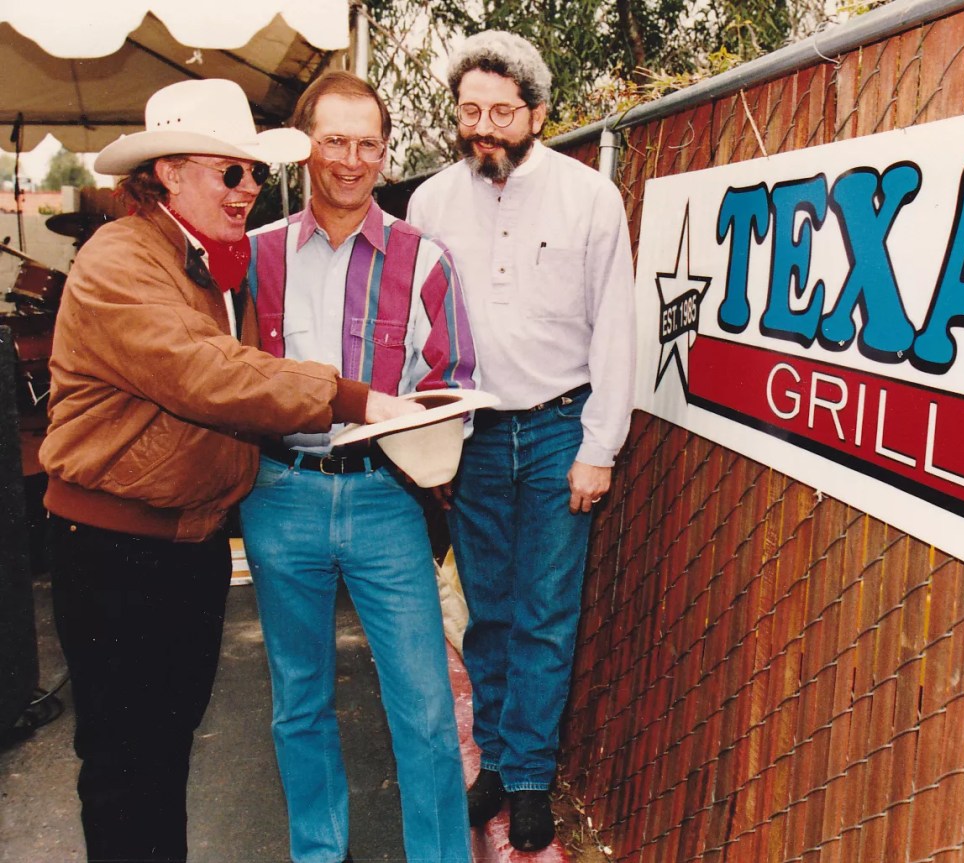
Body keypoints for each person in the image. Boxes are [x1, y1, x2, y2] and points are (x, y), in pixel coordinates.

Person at [39, 78, 421, 863]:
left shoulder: (203, 262)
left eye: (252, 174)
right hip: (116, 551)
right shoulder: (123, 259)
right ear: (169, 173)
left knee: (163, 751)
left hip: (187, 546)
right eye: (231, 172)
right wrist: (358, 400)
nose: (249, 190)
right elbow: (210, 375)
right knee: (124, 765)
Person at [406, 30, 636, 852]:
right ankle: (497, 763)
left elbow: (616, 324)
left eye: (502, 111)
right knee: (490, 615)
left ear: (537, 113)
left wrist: (599, 444)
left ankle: (532, 777)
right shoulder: (430, 202)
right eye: (472, 111)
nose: (485, 128)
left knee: (545, 613)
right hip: (469, 434)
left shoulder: (587, 198)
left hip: (556, 431)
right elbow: (419, 335)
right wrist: (428, 444)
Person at [242, 71, 475, 863]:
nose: (349, 159)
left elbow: (456, 386)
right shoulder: (253, 259)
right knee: (298, 700)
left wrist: (429, 434)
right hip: (280, 498)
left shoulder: (426, 260)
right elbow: (223, 376)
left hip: (384, 499)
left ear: (385, 152)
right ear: (304, 145)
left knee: (424, 708)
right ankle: (319, 852)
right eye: (333, 140)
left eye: (366, 143)